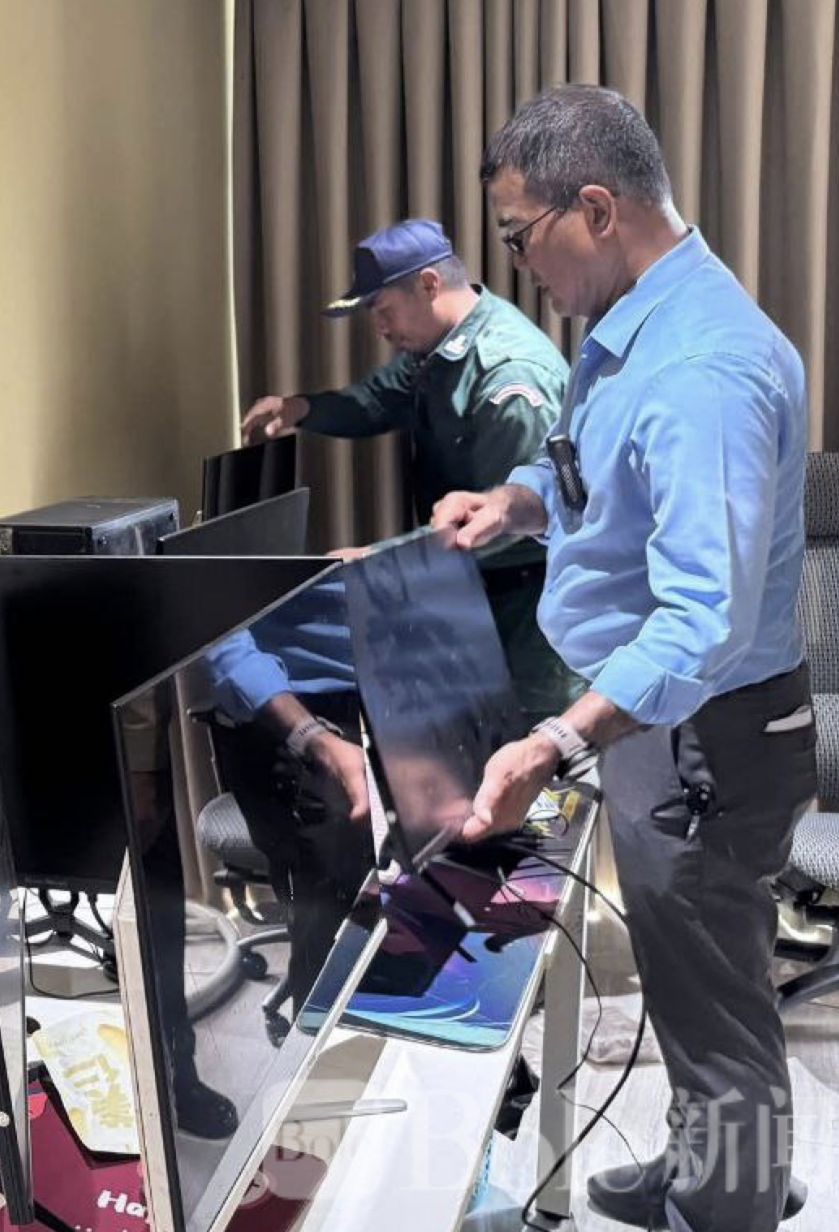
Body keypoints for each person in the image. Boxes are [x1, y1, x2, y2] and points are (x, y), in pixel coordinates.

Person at [433, 84, 815, 1232]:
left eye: (519, 238)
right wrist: (516, 502)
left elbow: (698, 622)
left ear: (594, 208)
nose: (517, 268)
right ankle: (712, 1166)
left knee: (717, 1007)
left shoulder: (701, 369)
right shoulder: (641, 319)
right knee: (695, 984)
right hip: (668, 724)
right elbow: (596, 471)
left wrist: (550, 742)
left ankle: (730, 1201)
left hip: (705, 732)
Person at [242, 219, 577, 719]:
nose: (379, 329)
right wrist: (302, 409)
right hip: (471, 592)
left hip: (530, 612)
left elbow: (505, 524)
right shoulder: (436, 349)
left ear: (429, 284)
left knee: (537, 751)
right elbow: (379, 399)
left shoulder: (508, 377)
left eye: (383, 310)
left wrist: (374, 560)